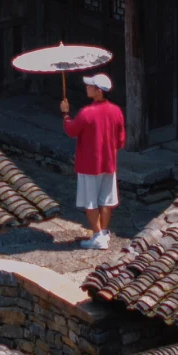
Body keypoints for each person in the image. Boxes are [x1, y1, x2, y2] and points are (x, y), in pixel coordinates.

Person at [60, 73, 125, 249]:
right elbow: (120, 141)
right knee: (106, 199)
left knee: (90, 201)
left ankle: (97, 237)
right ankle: (103, 232)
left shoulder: (86, 113)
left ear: (98, 91)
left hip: (89, 164)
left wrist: (65, 114)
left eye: (90, 86)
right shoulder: (116, 111)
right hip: (108, 162)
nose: (87, 87)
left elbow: (71, 130)